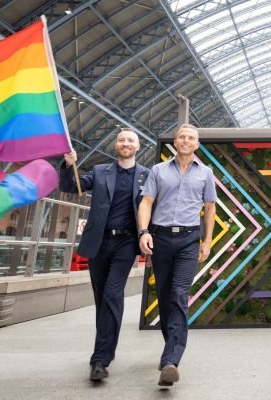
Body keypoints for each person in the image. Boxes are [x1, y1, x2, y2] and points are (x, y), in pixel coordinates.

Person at [59, 128, 150, 381]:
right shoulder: (100, 172)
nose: (125, 143)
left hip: (127, 243)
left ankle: (100, 359)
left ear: (138, 146)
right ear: (116, 144)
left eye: (130, 140)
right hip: (98, 242)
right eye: (121, 140)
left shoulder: (146, 176)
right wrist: (68, 164)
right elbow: (71, 187)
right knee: (103, 300)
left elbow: (155, 205)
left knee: (112, 295)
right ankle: (104, 349)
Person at [137, 124, 216, 387]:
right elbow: (146, 202)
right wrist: (144, 232)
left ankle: (171, 360)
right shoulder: (158, 170)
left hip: (188, 240)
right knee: (165, 295)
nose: (186, 140)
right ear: (175, 141)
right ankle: (170, 350)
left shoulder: (205, 172)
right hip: (160, 238)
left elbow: (209, 207)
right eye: (182, 136)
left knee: (180, 294)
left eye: (191, 138)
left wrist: (207, 242)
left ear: (197, 144)